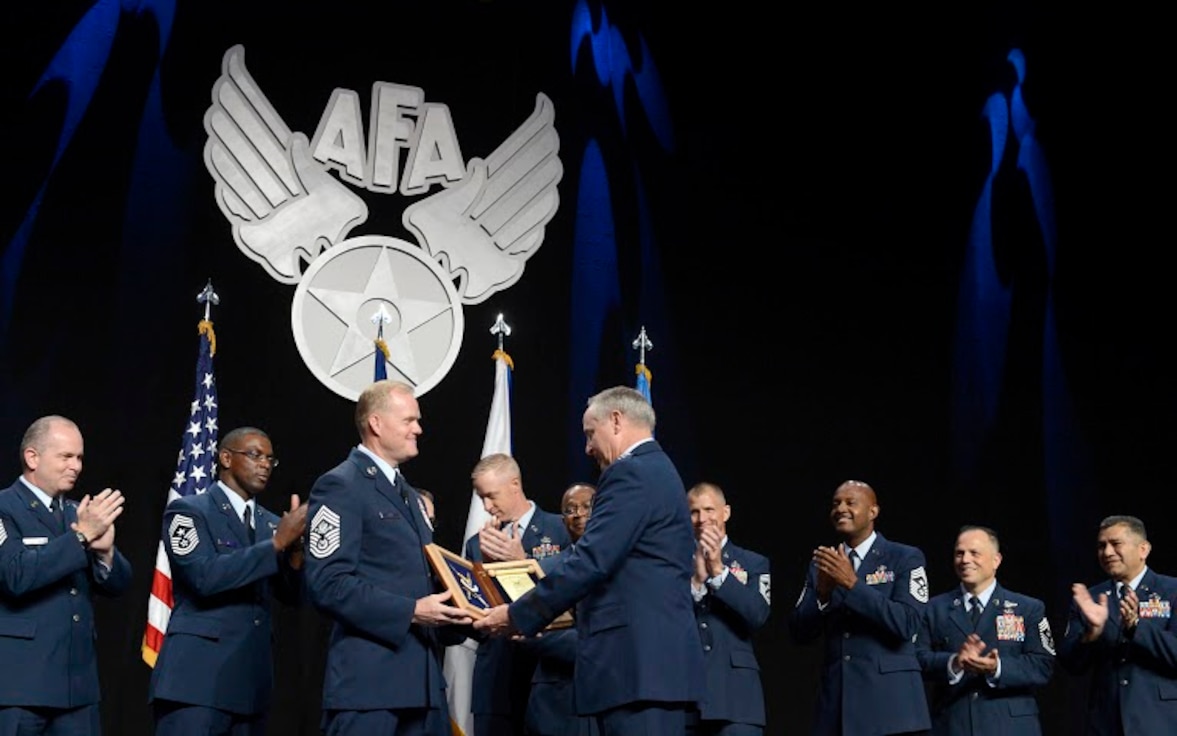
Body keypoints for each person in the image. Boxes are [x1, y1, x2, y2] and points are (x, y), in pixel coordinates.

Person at [474, 386, 704, 736]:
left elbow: (590, 560)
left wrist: (518, 614)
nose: (587, 447)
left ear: (615, 421)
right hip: (651, 670)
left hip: (637, 669)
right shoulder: (659, 470)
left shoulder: (632, 474)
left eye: (589, 434)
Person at [304, 379, 473, 736]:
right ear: (376, 423)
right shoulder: (341, 485)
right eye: (409, 420)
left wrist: (472, 613)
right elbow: (327, 583)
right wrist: (411, 611)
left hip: (424, 689)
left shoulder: (410, 496)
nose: (419, 429)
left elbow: (425, 581)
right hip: (370, 690)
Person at [148, 426, 308, 735]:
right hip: (196, 684)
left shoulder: (272, 524)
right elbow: (203, 577)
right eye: (254, 455)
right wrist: (275, 546)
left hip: (250, 687)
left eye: (270, 459)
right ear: (225, 458)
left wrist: (297, 553)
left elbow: (292, 596)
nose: (264, 464)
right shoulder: (189, 511)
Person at [0, 415, 132, 735]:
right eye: (66, 456)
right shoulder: (4, 507)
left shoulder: (78, 512)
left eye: (80, 457)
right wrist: (80, 538)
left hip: (78, 687)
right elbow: (15, 575)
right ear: (33, 457)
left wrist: (106, 552)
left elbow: (120, 584)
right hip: (20, 688)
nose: (76, 466)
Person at [788, 479, 931, 735]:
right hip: (837, 710)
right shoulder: (823, 563)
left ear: (873, 511)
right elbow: (799, 632)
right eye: (835, 504)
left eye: (850, 502)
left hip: (891, 709)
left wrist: (853, 585)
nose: (841, 508)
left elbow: (907, 623)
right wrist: (822, 595)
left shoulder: (905, 557)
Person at [465, 453, 571, 736]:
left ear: (515, 484)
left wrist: (521, 563)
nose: (487, 506)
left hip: (548, 678)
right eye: (481, 498)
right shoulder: (477, 544)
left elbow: (571, 602)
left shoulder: (561, 530)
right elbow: (474, 624)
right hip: (496, 683)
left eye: (492, 496)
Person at [916, 525, 1054, 736]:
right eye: (959, 553)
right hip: (952, 725)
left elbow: (1042, 665)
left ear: (996, 560)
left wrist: (996, 668)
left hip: (1010, 727)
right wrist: (954, 662)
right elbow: (917, 659)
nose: (965, 560)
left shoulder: (1028, 608)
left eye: (974, 553)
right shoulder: (934, 608)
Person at [1058, 515, 1177, 734]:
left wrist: (1137, 627)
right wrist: (1091, 635)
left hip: (1161, 720)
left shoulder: (1172, 591)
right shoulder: (1090, 598)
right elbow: (1070, 663)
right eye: (1102, 546)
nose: (1107, 552)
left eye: (1116, 544)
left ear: (1143, 549)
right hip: (1106, 723)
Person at [687, 482, 771, 736]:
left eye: (710, 510)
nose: (702, 519)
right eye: (694, 512)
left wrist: (718, 572)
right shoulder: (671, 565)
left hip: (737, 698)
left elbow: (757, 615)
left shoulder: (753, 563)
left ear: (726, 512)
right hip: (684, 697)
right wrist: (696, 583)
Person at [520, 482, 599, 736]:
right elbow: (530, 628)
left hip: (609, 693)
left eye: (587, 506)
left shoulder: (622, 564)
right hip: (556, 698)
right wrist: (595, 648)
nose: (578, 514)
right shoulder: (542, 568)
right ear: (562, 520)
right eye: (570, 509)